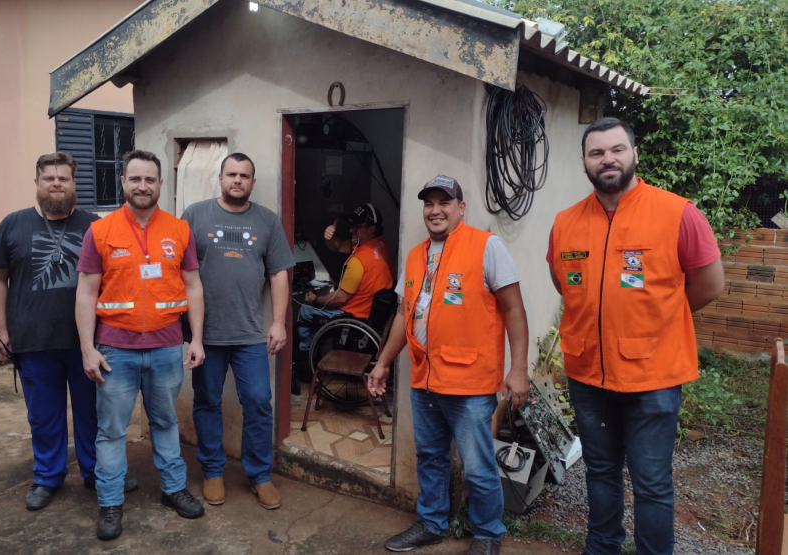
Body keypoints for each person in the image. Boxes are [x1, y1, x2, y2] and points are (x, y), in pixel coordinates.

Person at [547, 118, 724, 555]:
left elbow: (707, 285)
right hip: (589, 375)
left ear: (634, 154)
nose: (607, 159)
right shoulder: (565, 223)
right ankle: (601, 547)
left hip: (654, 377)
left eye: (616, 149)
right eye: (596, 153)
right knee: (600, 473)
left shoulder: (677, 213)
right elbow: (565, 285)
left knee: (651, 483)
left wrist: (659, 321)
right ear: (585, 164)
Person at [368, 175, 530, 555]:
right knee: (431, 457)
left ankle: (488, 534)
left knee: (477, 466)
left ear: (461, 208)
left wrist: (518, 369)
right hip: (425, 379)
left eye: (445, 202)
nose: (435, 210)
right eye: (429, 203)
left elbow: (515, 310)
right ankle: (432, 523)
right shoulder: (414, 255)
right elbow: (404, 316)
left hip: (469, 382)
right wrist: (383, 363)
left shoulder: (486, 246)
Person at [0, 153, 137, 511]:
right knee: (44, 415)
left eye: (63, 178)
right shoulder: (13, 224)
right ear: (37, 183)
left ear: (74, 184)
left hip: (88, 342)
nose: (56, 184)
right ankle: (47, 476)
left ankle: (97, 472)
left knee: (92, 412)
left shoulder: (95, 226)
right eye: (49, 178)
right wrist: (1, 329)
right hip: (33, 340)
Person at [75, 150, 207, 541]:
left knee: (166, 422)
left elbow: (194, 286)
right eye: (136, 179)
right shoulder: (100, 231)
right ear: (123, 183)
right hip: (115, 348)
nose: (143, 186)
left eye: (150, 179)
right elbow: (86, 293)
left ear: (161, 184)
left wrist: (195, 338)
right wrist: (87, 347)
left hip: (168, 345)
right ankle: (111, 503)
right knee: (111, 431)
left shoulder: (179, 230)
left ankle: (172, 490)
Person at [181, 153, 295, 510]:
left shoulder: (267, 220)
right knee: (207, 402)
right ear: (220, 177)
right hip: (206, 335)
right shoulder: (195, 216)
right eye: (232, 174)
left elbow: (279, 274)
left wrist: (278, 322)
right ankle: (213, 471)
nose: (238, 180)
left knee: (260, 403)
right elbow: (180, 272)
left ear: (253, 182)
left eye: (245, 175)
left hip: (249, 335)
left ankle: (260, 475)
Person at [297, 202, 393, 352]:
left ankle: (306, 354)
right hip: (371, 314)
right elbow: (338, 245)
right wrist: (329, 236)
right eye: (350, 225)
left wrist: (315, 300)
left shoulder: (359, 261)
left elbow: (340, 298)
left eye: (356, 226)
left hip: (354, 316)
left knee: (305, 310)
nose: (350, 230)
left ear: (371, 229)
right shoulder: (380, 245)